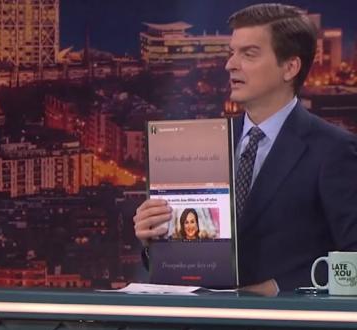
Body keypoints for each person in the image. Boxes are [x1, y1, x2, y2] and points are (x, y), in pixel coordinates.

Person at [134, 3, 357, 294]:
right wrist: (155, 243)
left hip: (285, 321)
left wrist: (276, 288)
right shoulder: (203, 144)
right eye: (232, 52)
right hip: (204, 319)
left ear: (290, 67)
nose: (230, 64)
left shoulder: (333, 150)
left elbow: (353, 258)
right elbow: (190, 261)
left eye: (248, 54)